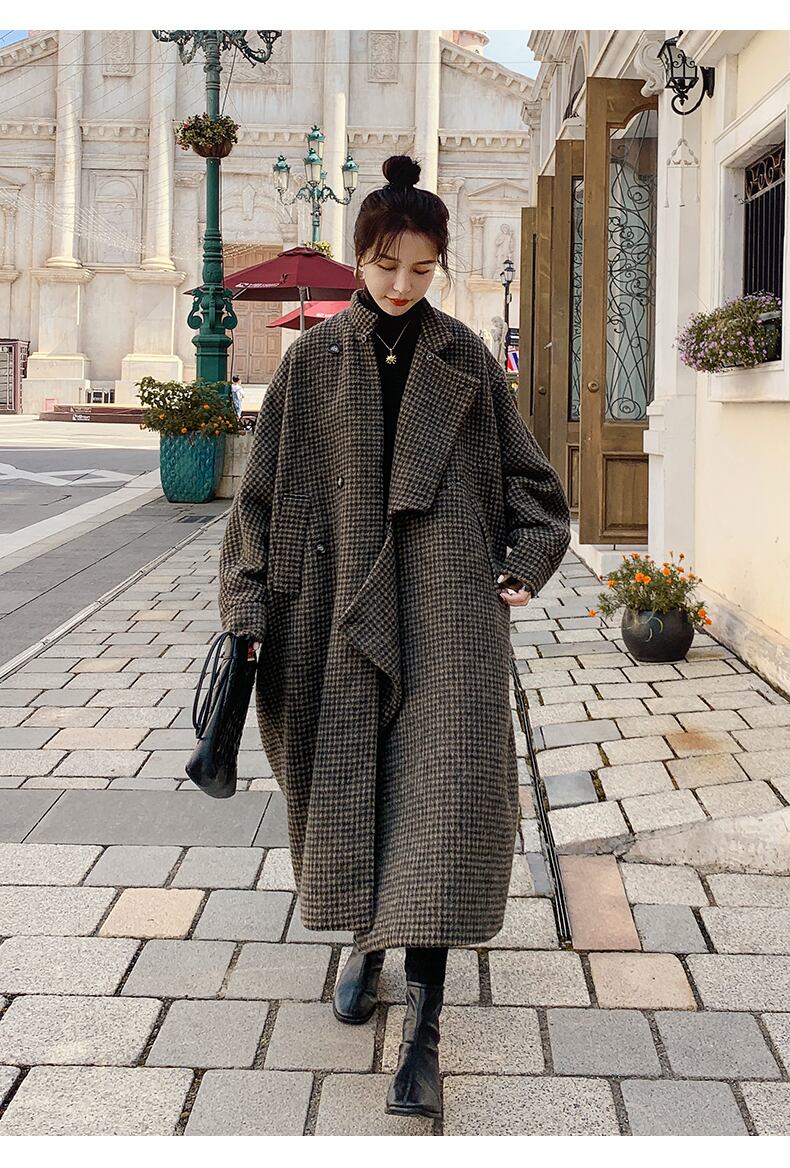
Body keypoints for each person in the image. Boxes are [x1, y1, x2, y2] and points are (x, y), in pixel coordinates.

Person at [218, 155, 571, 1121]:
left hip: (448, 617)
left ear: (440, 264)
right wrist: (248, 614)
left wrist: (521, 564)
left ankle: (423, 1023)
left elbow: (537, 492)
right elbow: (258, 503)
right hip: (330, 613)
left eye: (421, 268)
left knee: (441, 806)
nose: (402, 285)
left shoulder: (467, 361)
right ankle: (364, 943)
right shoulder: (312, 363)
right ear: (359, 256)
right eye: (385, 265)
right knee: (349, 792)